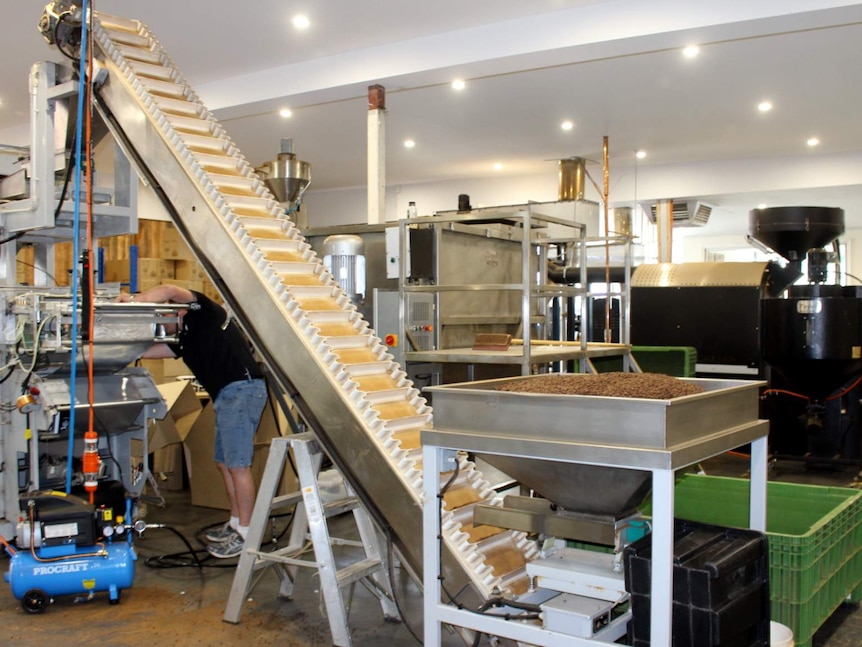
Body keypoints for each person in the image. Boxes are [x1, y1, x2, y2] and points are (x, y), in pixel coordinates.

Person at [118, 285, 266, 559]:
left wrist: (132, 302)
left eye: (161, 320)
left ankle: (248, 533)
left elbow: (167, 288)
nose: (160, 328)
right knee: (224, 462)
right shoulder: (185, 339)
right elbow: (149, 351)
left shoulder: (203, 312)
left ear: (177, 311)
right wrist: (111, 344)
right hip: (227, 394)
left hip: (241, 390)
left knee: (238, 465)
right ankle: (236, 524)